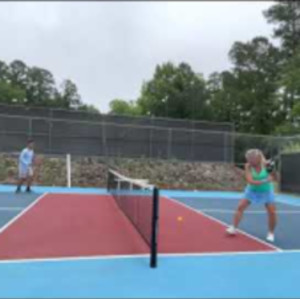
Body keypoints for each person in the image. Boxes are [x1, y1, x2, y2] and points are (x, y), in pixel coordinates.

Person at [226, 149, 277, 242]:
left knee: (272, 212)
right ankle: (233, 228)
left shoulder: (268, 165)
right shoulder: (248, 166)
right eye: (248, 159)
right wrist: (265, 180)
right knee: (240, 207)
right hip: (251, 191)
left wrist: (272, 171)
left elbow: (275, 177)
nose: (249, 161)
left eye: (251, 159)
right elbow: (250, 181)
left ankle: (271, 233)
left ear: (258, 158)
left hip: (267, 191)